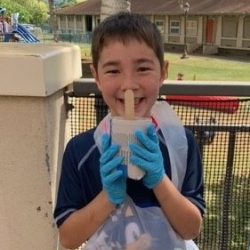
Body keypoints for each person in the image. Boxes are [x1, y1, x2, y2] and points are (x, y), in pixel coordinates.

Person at [54, 12, 205, 249]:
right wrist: (108, 197)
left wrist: (159, 180)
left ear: (163, 72)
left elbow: (191, 229)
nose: (129, 85)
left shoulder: (180, 144)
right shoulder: (81, 150)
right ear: (96, 76)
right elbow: (68, 238)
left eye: (143, 68)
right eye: (113, 71)